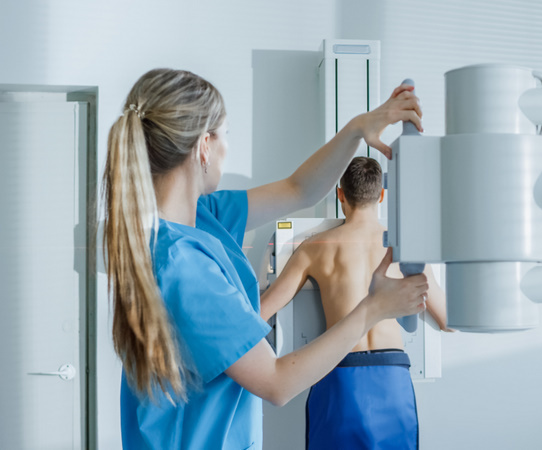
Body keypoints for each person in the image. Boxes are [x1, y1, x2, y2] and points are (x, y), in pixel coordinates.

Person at [103, 68, 428, 449]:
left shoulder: (205, 215)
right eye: (226, 135)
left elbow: (300, 188)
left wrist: (359, 128)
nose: (228, 147)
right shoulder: (182, 265)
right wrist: (373, 308)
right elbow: (275, 381)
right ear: (204, 146)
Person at [260, 156, 450, 450]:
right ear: (381, 195)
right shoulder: (406, 247)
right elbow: (448, 322)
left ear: (341, 194)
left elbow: (261, 313)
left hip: (336, 371)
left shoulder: (314, 249)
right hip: (392, 377)